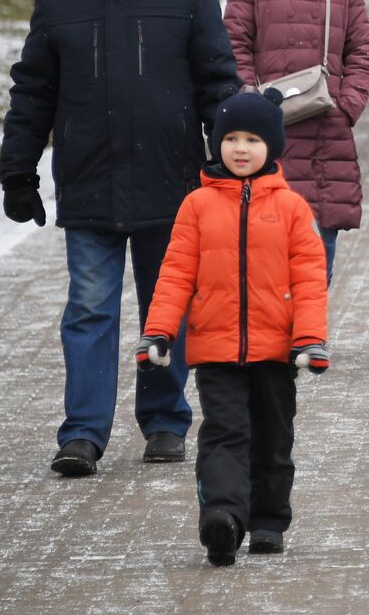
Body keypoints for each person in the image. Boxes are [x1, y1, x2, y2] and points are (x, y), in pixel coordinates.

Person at [0, 0, 240, 477]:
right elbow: (33, 92)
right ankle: (82, 433)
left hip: (170, 183)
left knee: (170, 311)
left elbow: (218, 83)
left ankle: (163, 421)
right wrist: (17, 174)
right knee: (89, 309)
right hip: (89, 183)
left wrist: (227, 158)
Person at [136, 89, 329, 567]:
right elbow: (176, 272)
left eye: (253, 140)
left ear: (273, 148)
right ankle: (222, 517)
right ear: (217, 142)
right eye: (232, 138)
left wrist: (310, 339)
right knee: (224, 434)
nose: (241, 149)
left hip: (275, 352)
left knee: (272, 438)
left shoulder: (291, 209)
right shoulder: (197, 206)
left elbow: (309, 279)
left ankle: (267, 522)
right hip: (216, 351)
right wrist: (159, 331)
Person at [223, 0, 369, 284]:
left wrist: (349, 103)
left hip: (327, 132)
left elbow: (362, 46)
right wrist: (252, 102)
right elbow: (234, 44)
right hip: (266, 134)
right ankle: (269, 345)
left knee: (315, 253)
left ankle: (307, 342)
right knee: (262, 250)